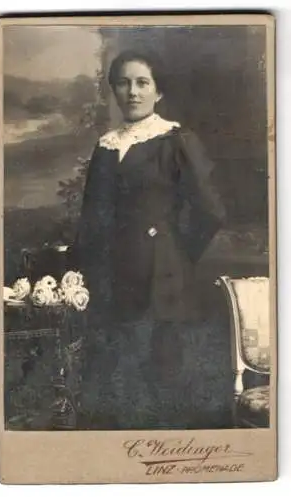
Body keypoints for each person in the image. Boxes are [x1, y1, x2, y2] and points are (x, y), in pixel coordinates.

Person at [68, 49, 233, 430]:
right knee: (113, 379)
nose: (133, 92)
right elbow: (92, 218)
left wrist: (175, 251)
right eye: (123, 83)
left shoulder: (174, 140)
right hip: (109, 281)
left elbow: (211, 211)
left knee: (159, 377)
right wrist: (83, 271)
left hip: (161, 281)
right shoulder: (106, 146)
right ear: (114, 90)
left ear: (158, 92)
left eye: (143, 83)